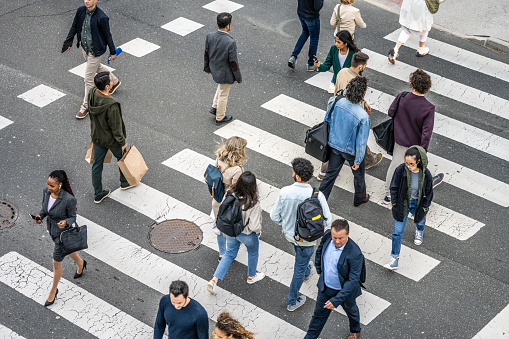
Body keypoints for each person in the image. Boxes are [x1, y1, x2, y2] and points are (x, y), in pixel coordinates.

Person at [270, 158, 332, 312]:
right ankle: (298, 285)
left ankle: (293, 299)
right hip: (307, 239)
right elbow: (327, 220)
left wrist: (287, 225)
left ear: (297, 176)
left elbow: (274, 216)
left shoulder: (285, 192)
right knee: (301, 261)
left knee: (300, 260)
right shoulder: (317, 195)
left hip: (290, 236)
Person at [317, 52, 382, 181]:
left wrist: (365, 102)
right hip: (348, 112)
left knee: (333, 137)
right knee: (354, 138)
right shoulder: (356, 80)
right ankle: (365, 161)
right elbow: (355, 99)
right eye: (365, 65)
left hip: (336, 107)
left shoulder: (342, 72)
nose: (365, 67)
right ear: (361, 67)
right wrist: (363, 105)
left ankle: (368, 159)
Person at [383, 69, 443, 205]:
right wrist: (423, 151)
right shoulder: (429, 108)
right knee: (415, 170)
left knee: (394, 167)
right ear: (427, 88)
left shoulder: (402, 96)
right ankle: (418, 193)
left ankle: (388, 195)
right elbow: (427, 132)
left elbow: (391, 112)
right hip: (415, 146)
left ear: (412, 84)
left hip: (399, 140)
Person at [34, 170, 86, 307]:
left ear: (60, 185)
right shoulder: (46, 191)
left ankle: (53, 291)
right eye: (48, 185)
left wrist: (66, 222)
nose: (49, 188)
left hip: (63, 234)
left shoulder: (69, 199)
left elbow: (72, 217)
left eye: (52, 186)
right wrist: (40, 217)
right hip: (52, 230)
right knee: (68, 250)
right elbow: (45, 210)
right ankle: (81, 263)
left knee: (56, 262)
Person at [305, 219, 364, 339]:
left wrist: (336, 300)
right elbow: (319, 251)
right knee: (318, 317)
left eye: (341, 238)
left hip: (344, 291)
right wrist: (320, 270)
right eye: (334, 237)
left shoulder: (355, 253)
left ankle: (355, 330)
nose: (337, 241)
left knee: (351, 311)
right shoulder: (327, 235)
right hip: (326, 288)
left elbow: (353, 280)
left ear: (347, 234)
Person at [207, 171, 264, 294]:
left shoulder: (230, 193)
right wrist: (258, 232)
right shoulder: (253, 202)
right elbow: (254, 226)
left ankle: (214, 280)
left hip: (231, 230)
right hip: (246, 234)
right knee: (253, 253)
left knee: (229, 253)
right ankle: (251, 277)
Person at [63, 0, 121, 119]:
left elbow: (107, 35)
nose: (86, 1)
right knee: (96, 67)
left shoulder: (102, 17)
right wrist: (69, 41)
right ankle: (114, 82)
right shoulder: (81, 11)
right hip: (85, 47)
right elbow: (74, 25)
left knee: (88, 78)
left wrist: (113, 51)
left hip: (96, 50)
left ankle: (86, 105)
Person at [319, 77, 371, 207]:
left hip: (334, 146)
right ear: (363, 93)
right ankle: (360, 197)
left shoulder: (337, 102)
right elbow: (361, 143)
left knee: (330, 175)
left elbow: (327, 121)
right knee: (358, 175)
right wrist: (358, 161)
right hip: (351, 152)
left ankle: (319, 201)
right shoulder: (363, 116)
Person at [385, 146, 433, 270]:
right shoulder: (401, 170)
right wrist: (395, 203)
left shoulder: (426, 174)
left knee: (420, 221)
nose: (408, 166)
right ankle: (394, 258)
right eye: (406, 163)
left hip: (417, 204)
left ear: (418, 161)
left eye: (411, 164)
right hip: (402, 204)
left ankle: (419, 230)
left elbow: (428, 192)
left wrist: (425, 207)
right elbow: (394, 187)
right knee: (397, 232)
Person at [88, 71, 132, 204]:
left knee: (97, 165)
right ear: (107, 87)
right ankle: (124, 183)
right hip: (111, 140)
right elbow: (116, 128)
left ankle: (98, 194)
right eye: (111, 81)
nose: (113, 81)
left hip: (97, 136)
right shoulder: (111, 105)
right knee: (122, 158)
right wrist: (122, 142)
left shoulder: (92, 93)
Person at [211, 136, 248, 262]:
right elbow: (235, 189)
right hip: (228, 202)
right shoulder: (236, 169)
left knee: (219, 225)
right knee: (231, 225)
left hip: (217, 198)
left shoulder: (219, 157)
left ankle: (222, 252)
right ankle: (233, 247)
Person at [204, 12, 242, 126]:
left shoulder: (210, 36)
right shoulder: (230, 42)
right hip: (225, 73)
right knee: (224, 94)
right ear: (228, 26)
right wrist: (238, 78)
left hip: (215, 68)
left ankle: (215, 107)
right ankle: (220, 117)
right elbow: (233, 63)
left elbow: (206, 53)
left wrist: (206, 67)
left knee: (221, 88)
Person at [288, 0, 324, 72]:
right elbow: (317, 6)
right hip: (311, 16)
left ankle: (294, 56)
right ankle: (311, 64)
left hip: (301, 12)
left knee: (305, 33)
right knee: (314, 39)